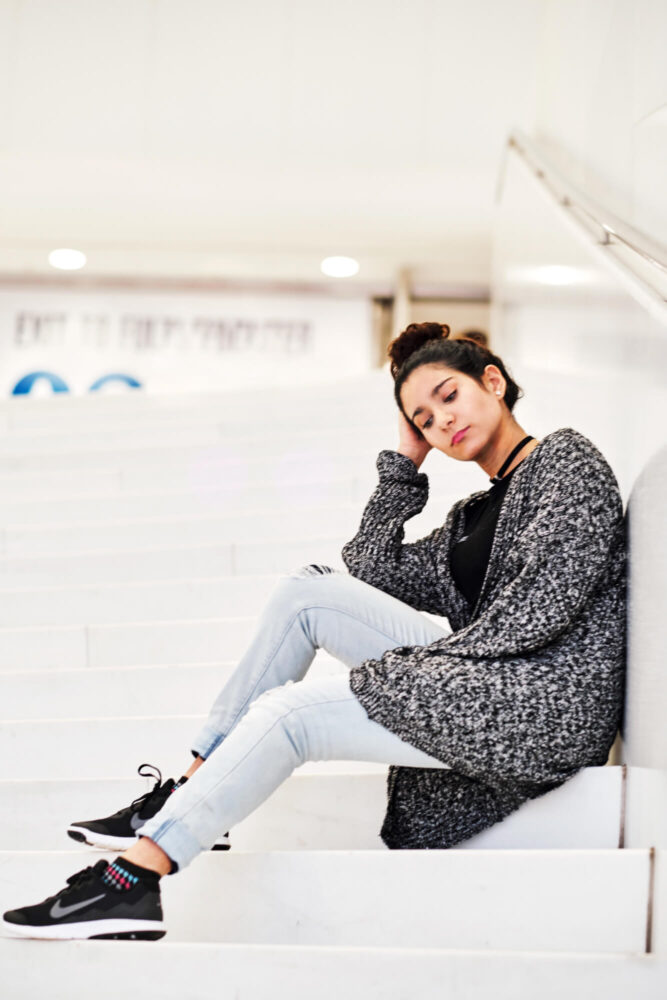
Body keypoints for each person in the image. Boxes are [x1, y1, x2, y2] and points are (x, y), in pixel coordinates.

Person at [2, 321, 626, 941]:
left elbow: (544, 605)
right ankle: (192, 786)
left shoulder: (566, 461)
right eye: (424, 419)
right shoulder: (471, 515)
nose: (442, 421)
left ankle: (133, 880)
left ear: (492, 381)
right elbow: (374, 566)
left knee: (288, 714)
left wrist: (410, 670)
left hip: (544, 702)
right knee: (309, 593)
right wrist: (405, 465)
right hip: (489, 677)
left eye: (448, 396)